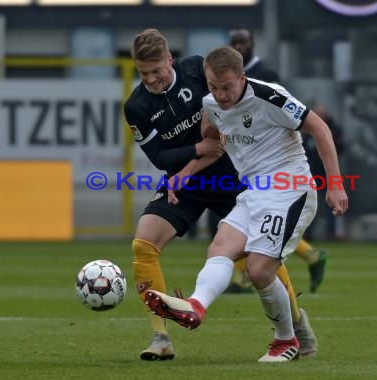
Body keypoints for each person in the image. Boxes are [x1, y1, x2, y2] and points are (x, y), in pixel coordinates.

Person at [123, 29, 318, 361]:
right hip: (186, 181)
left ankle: (296, 324)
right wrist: (198, 148)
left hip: (233, 175)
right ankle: (160, 337)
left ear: (170, 59)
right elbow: (159, 158)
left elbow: (239, 98)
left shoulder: (199, 69)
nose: (152, 79)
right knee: (143, 243)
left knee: (259, 254)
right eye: (144, 74)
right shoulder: (136, 106)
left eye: (157, 70)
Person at [222, 25, 330, 294]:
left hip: (272, 164)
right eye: (233, 41)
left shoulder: (265, 76)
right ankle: (310, 255)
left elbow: (292, 117)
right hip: (242, 156)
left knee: (252, 220)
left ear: (252, 43)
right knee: (237, 216)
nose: (238, 45)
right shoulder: (221, 83)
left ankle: (244, 277)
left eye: (242, 41)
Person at [303, 103, 346, 242]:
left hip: (328, 174)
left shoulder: (333, 130)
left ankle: (333, 232)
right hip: (311, 173)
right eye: (317, 114)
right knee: (309, 204)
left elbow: (341, 147)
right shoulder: (306, 131)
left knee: (333, 204)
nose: (320, 116)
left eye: (322, 113)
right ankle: (307, 233)